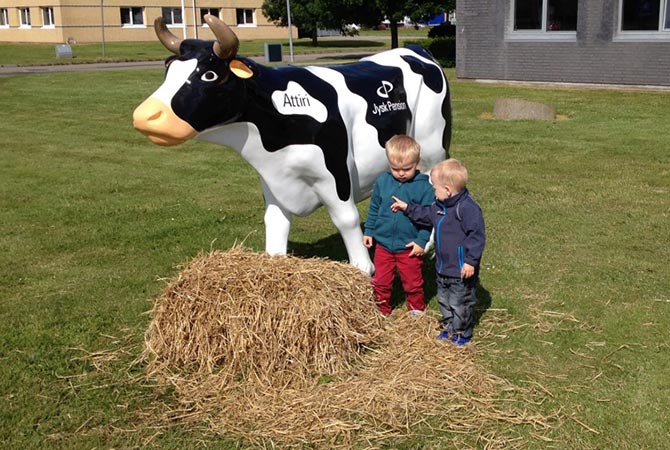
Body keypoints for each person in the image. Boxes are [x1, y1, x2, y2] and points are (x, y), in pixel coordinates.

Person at [391, 158, 485, 345]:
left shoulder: (467, 208)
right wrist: (407, 208)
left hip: (460, 270)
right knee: (444, 300)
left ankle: (461, 333)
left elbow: (477, 236)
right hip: (443, 267)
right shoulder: (439, 206)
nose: (433, 191)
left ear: (448, 190)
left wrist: (470, 261)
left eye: (435, 187)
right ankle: (449, 326)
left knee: (461, 303)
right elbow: (425, 215)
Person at [363, 135, 435, 316]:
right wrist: (369, 231)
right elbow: (374, 209)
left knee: (412, 281)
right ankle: (381, 309)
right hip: (384, 244)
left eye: (407, 169)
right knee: (381, 280)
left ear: (417, 163)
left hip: (408, 246)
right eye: (395, 169)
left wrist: (421, 241)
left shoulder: (424, 188)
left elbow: (428, 219)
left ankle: (416, 309)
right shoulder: (382, 182)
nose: (401, 173)